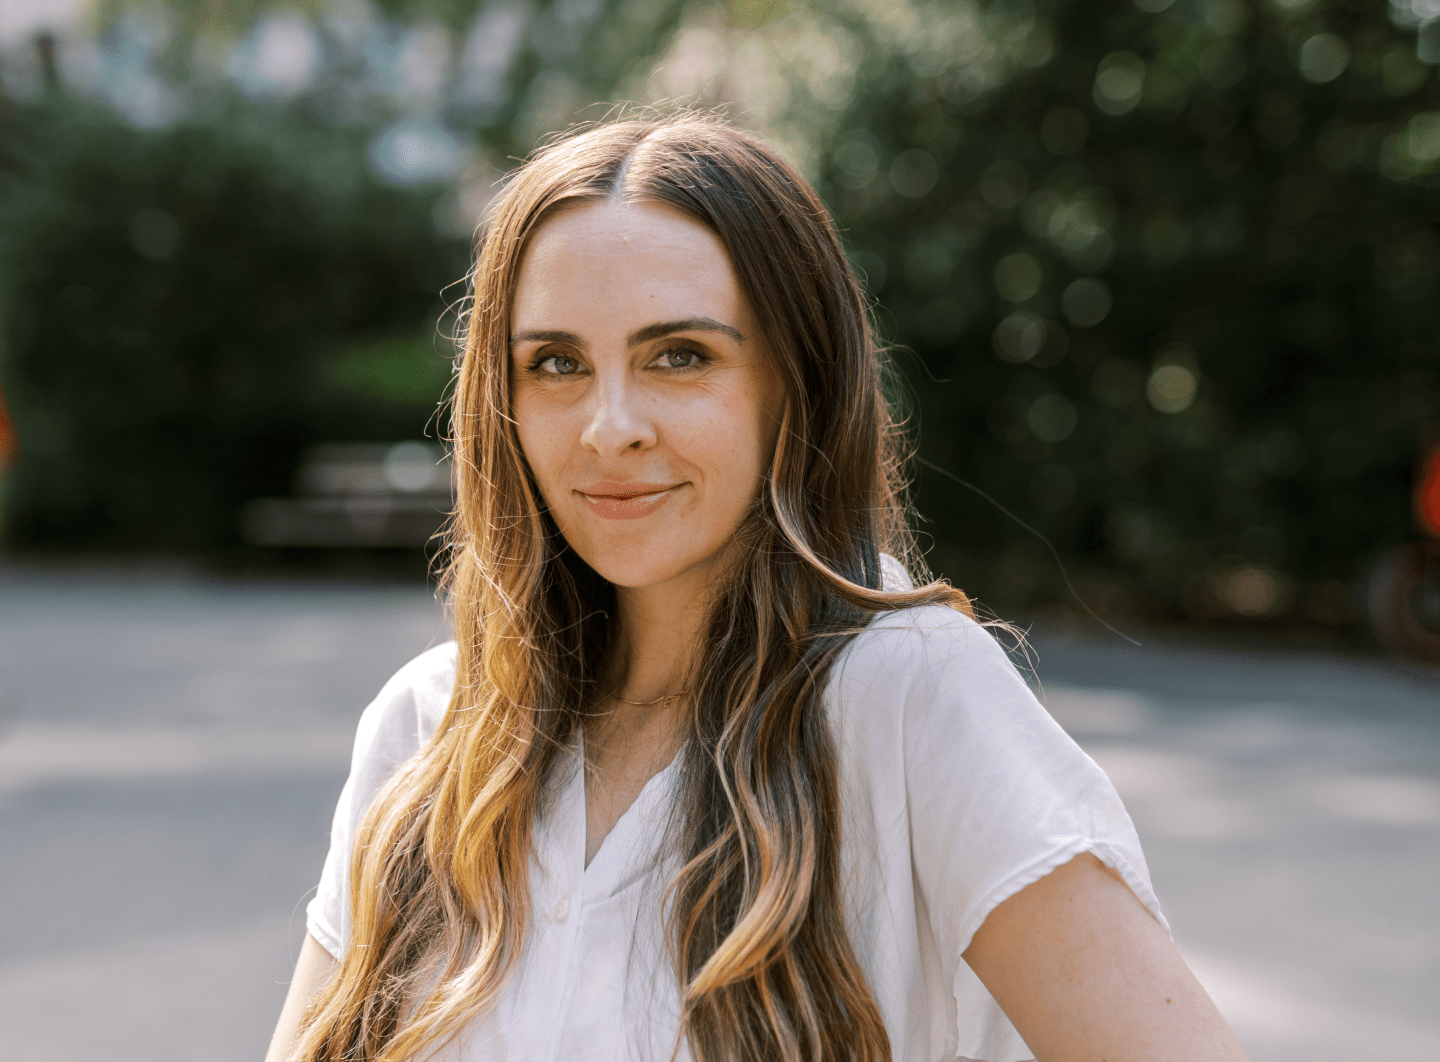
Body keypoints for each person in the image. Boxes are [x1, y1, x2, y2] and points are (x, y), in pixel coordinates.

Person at [266, 115, 1248, 1062]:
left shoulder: (911, 699)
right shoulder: (428, 729)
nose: (610, 426)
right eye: (556, 363)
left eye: (680, 356)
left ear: (796, 384)